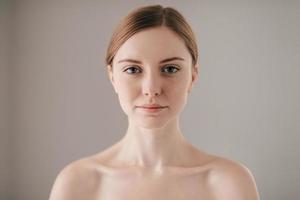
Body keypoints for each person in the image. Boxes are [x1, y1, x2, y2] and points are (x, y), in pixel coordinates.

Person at [49, 4, 260, 200]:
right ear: (113, 76)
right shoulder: (77, 183)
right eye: (133, 70)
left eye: (170, 69)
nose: (151, 90)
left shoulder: (230, 183)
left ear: (193, 76)